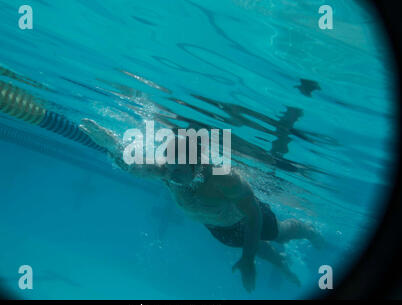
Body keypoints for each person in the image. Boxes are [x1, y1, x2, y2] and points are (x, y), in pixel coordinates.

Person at [79, 118, 323, 292]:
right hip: (217, 228)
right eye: (169, 166)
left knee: (279, 234)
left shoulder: (224, 177)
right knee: (257, 248)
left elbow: (254, 218)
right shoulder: (166, 168)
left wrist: (247, 260)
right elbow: (133, 166)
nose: (171, 174)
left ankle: (307, 230)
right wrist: (111, 145)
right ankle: (280, 264)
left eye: (179, 169)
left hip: (247, 219)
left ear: (196, 163)